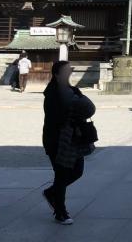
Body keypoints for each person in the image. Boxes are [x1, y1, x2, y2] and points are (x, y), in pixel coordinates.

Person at [42, 60, 96, 225]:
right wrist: (73, 113)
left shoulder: (73, 90)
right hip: (57, 139)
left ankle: (51, 193)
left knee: (77, 171)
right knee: (61, 174)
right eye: (65, 71)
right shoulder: (52, 94)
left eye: (69, 71)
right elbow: (56, 117)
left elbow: (87, 107)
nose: (69, 73)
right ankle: (60, 212)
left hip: (74, 139)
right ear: (57, 74)